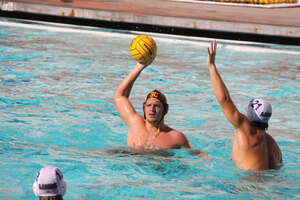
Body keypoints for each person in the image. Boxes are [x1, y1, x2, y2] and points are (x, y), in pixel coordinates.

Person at [206, 40, 282, 170]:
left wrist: (212, 66)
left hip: (249, 186)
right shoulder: (273, 145)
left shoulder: (244, 128)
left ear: (250, 113)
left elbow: (225, 100)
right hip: (267, 185)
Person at [114, 59, 191, 149]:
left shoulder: (176, 137)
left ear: (165, 110)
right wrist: (140, 66)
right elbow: (119, 96)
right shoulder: (135, 122)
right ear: (144, 108)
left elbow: (194, 156)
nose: (152, 109)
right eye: (149, 105)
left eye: (157, 105)